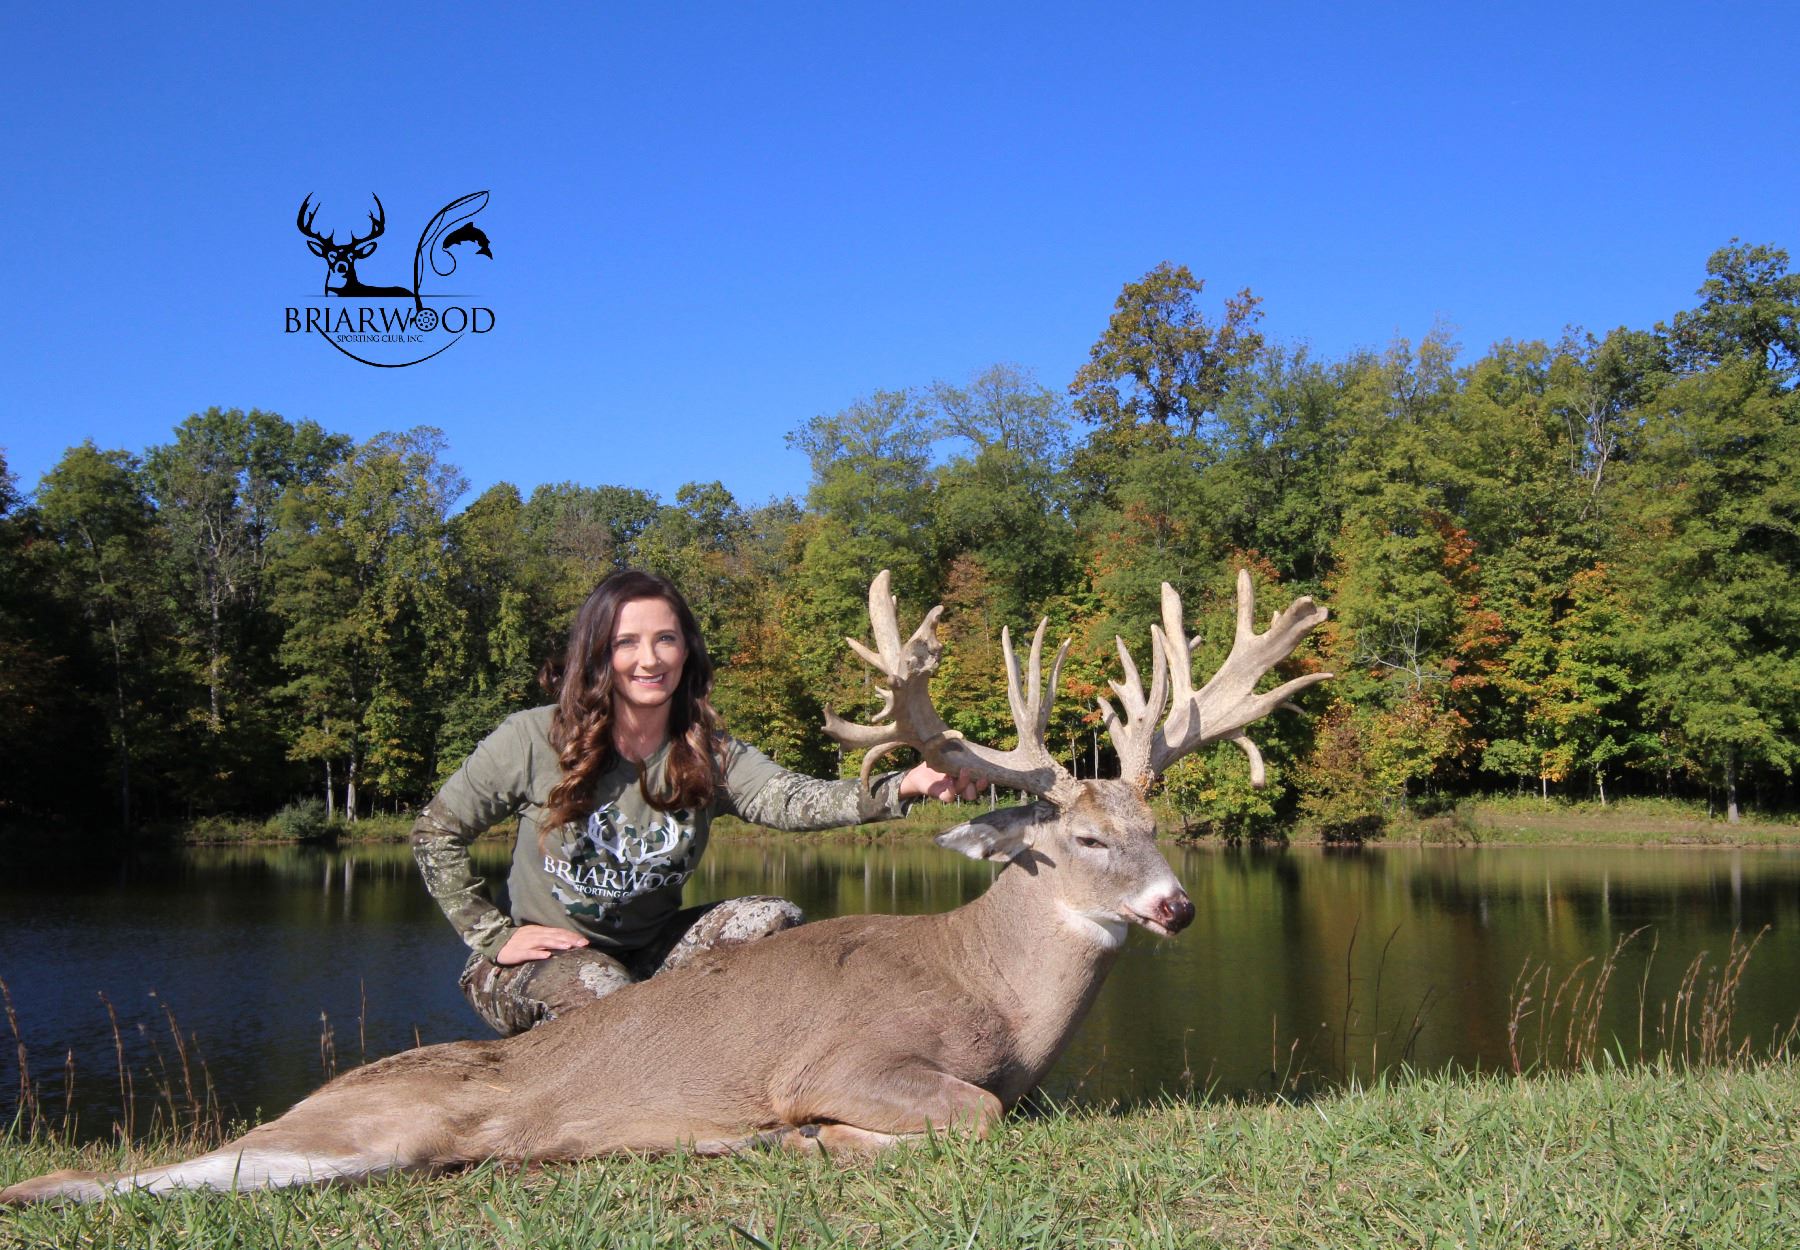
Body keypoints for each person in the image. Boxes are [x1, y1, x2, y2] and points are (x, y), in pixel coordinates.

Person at [412, 568, 976, 1036]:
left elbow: (790, 799)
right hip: (535, 963)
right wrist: (494, 936)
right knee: (604, 994)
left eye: (665, 639)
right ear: (598, 653)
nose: (649, 659)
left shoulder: (708, 750)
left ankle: (747, 1067)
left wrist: (905, 784)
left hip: (648, 955)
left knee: (772, 919)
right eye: (626, 642)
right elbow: (435, 833)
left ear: (686, 650)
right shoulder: (533, 738)